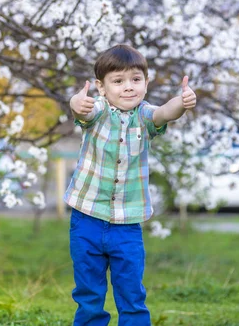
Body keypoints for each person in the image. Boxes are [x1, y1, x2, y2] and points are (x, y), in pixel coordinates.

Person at [65, 44, 196, 325]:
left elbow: (164, 113)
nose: (128, 87)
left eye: (136, 80)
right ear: (101, 87)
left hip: (127, 224)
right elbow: (82, 113)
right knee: (88, 292)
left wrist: (181, 102)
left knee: (131, 293)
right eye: (118, 81)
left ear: (146, 84)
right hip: (86, 218)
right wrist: (77, 104)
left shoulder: (144, 115)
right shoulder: (99, 110)